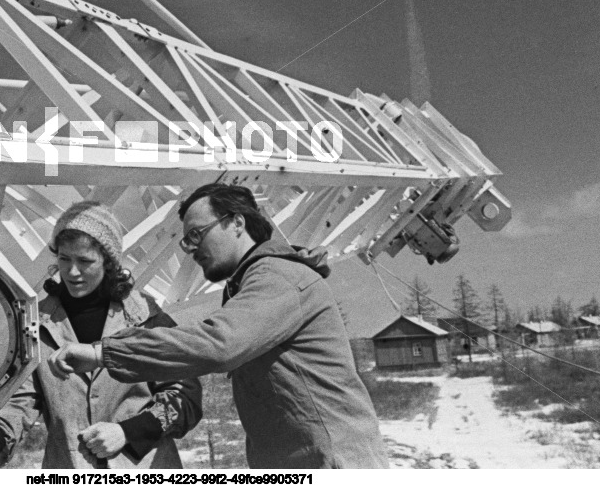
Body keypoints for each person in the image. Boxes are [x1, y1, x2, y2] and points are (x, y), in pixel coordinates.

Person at [50, 184, 389, 469]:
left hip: (331, 464)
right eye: (187, 241)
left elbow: (219, 345)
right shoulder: (253, 285)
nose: (192, 249)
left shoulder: (278, 278)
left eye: (197, 234)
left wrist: (102, 352)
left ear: (237, 223)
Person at [0, 201, 202, 469]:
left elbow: (185, 397)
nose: (72, 272)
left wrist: (128, 432)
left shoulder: (148, 319)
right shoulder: (34, 326)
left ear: (109, 262)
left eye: (85, 261)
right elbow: (20, 402)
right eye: (64, 259)